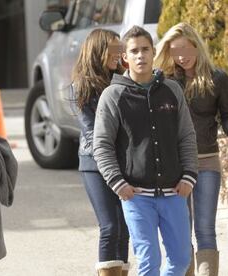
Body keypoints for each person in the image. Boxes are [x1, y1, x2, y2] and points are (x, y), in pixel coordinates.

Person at [93, 25, 198, 275]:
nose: (140, 55)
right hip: (137, 196)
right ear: (125, 57)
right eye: (134, 51)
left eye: (145, 49)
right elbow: (102, 145)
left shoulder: (172, 90)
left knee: (181, 260)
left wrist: (189, 175)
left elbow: (186, 135)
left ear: (154, 52)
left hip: (175, 192)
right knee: (149, 261)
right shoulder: (112, 95)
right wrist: (118, 183)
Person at [154, 22, 228, 276]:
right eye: (174, 51)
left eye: (186, 49)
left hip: (206, 161)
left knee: (205, 228)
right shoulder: (163, 81)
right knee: (180, 229)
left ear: (197, 46)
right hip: (174, 165)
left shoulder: (217, 79)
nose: (181, 56)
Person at [71, 29, 130, 276]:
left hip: (123, 163)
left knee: (124, 228)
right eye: (115, 50)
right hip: (94, 164)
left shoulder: (122, 81)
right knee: (109, 226)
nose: (119, 55)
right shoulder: (82, 86)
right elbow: (90, 131)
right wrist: (111, 162)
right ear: (98, 50)